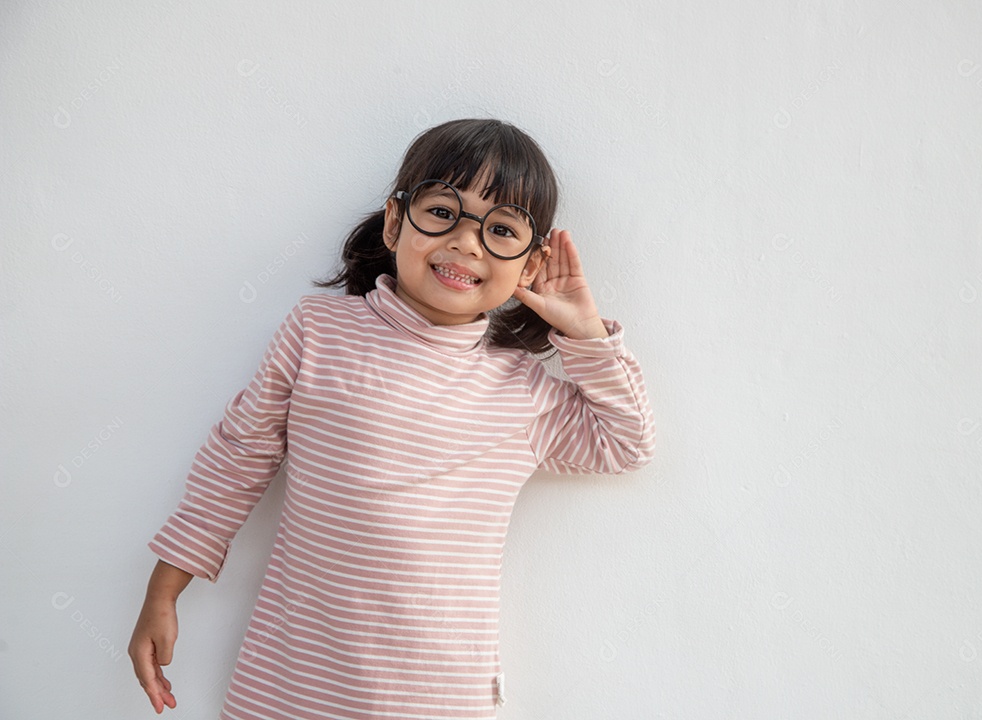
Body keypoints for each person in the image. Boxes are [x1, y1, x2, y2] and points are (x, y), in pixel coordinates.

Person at [127, 118, 657, 719]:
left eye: (501, 230)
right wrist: (164, 590)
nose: (466, 242)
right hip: (291, 680)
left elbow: (626, 444)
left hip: (436, 695)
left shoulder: (523, 392)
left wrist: (583, 332)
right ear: (394, 220)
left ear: (530, 267)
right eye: (443, 212)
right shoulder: (319, 332)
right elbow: (237, 456)